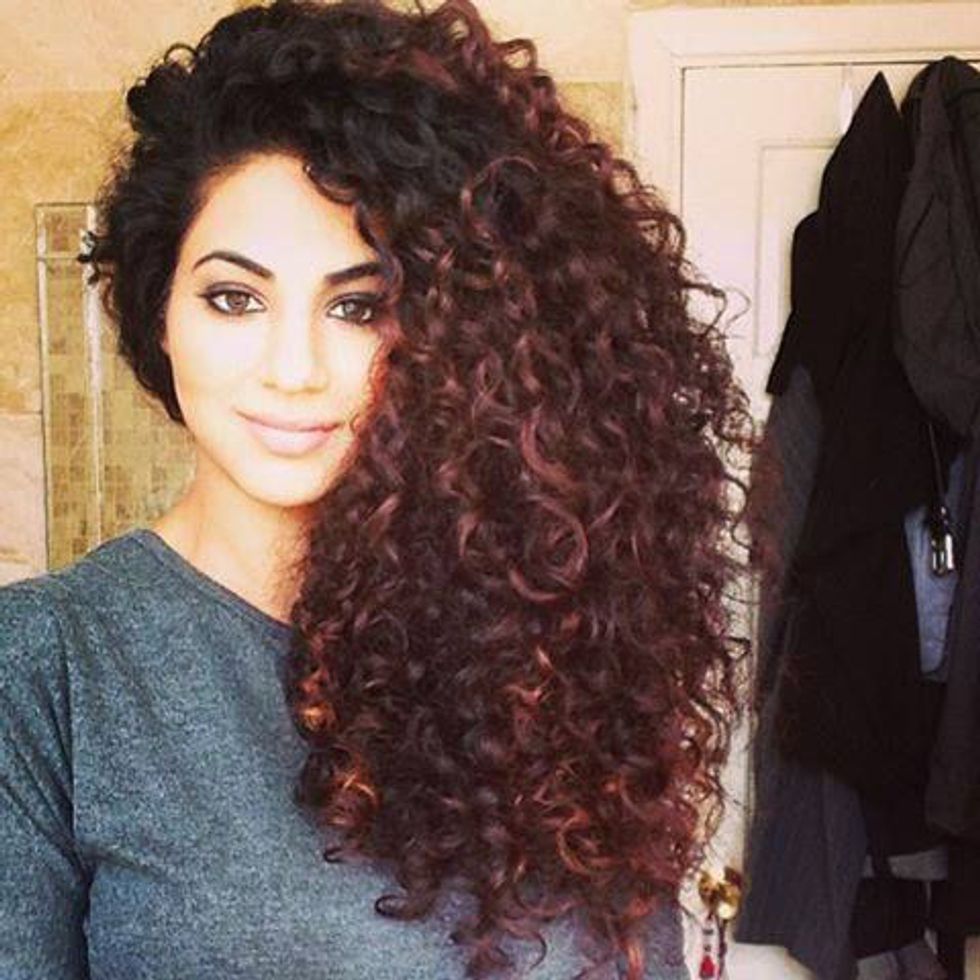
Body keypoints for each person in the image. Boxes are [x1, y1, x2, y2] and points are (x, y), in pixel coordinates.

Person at [0, 1, 757, 977]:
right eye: (234, 297)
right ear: (160, 315)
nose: (294, 369)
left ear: (454, 338)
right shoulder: (48, 668)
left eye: (358, 307)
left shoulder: (555, 647)